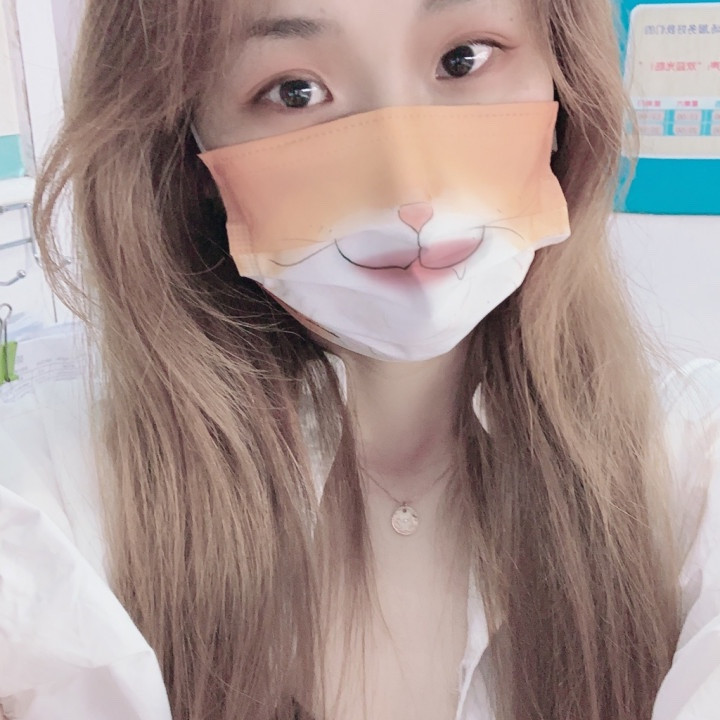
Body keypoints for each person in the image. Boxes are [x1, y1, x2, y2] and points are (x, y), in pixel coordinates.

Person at [1, 0, 719, 718]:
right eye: (295, 92)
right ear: (188, 154)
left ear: (563, 80)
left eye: (463, 59)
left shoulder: (693, 463)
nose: (408, 184)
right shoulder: (50, 499)